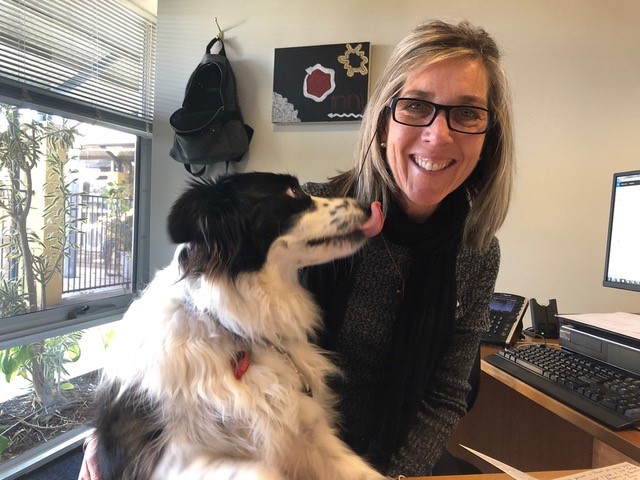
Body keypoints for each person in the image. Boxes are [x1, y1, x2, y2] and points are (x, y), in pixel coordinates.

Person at [79, 19, 513, 479]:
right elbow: (195, 305)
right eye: (416, 105)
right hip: (273, 448)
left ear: (488, 138)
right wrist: (122, 426)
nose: (439, 134)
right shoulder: (302, 218)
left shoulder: (478, 251)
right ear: (384, 122)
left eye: (467, 113)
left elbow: (447, 392)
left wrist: (399, 475)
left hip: (381, 459)